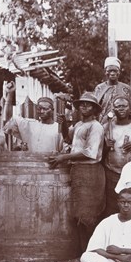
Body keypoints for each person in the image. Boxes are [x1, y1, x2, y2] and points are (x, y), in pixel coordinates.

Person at [48, 92, 105, 251]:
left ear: (94, 109)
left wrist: (63, 157)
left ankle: (92, 250)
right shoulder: (79, 125)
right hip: (78, 170)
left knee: (88, 214)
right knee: (78, 212)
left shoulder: (96, 126)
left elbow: (89, 153)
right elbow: (68, 138)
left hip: (90, 171)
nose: (84, 107)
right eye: (82, 104)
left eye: (88, 104)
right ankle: (82, 250)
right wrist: (64, 123)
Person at [102, 96, 131, 216]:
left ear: (130, 109)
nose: (121, 108)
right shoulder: (106, 127)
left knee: (130, 204)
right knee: (112, 205)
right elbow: (98, 154)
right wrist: (106, 146)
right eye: (118, 106)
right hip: (111, 172)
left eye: (124, 106)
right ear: (113, 109)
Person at [94, 56, 131, 124]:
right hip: (102, 123)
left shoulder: (126, 88)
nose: (112, 73)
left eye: (115, 71)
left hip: (122, 124)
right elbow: (95, 108)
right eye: (109, 71)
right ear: (105, 72)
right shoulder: (99, 88)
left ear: (119, 72)